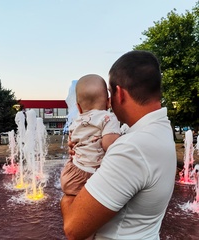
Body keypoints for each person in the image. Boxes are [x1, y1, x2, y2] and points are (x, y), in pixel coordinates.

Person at [60, 50, 177, 240]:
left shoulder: (132, 148)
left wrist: (68, 196)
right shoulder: (159, 129)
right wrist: (86, 150)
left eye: (109, 93)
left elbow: (73, 228)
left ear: (119, 94)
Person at [60, 74, 121, 197]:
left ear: (78, 108)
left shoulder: (76, 121)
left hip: (71, 171)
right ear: (109, 102)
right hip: (90, 174)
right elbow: (109, 145)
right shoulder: (108, 118)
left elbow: (72, 144)